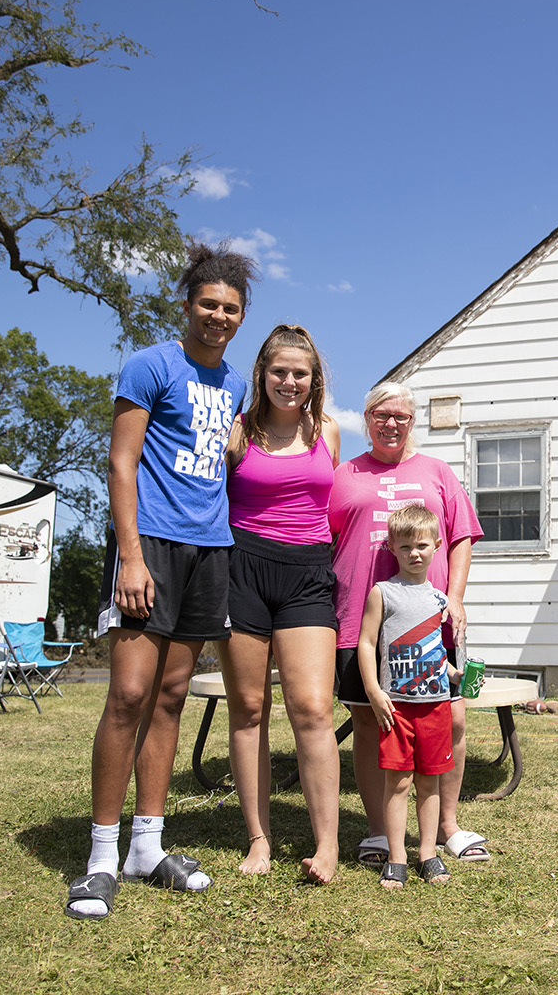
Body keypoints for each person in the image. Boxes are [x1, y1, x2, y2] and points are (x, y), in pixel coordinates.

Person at [65, 241, 257, 921]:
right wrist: (132, 556)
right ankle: (99, 858)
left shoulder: (235, 384)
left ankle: (148, 845)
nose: (218, 316)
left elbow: (217, 461)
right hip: (150, 545)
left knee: (173, 695)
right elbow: (121, 464)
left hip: (210, 550)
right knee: (128, 695)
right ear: (187, 304)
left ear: (241, 316)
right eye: (208, 304)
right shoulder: (150, 365)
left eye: (231, 309)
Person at [329, 382, 488, 867]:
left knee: (452, 718)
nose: (390, 423)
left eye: (400, 415)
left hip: (431, 622)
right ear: (366, 418)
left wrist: (455, 599)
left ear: (412, 420)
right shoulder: (344, 475)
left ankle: (448, 826)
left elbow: (461, 536)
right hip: (362, 620)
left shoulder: (437, 472)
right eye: (380, 414)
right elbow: (320, 537)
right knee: (368, 720)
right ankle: (378, 831)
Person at [216, 325, 341, 883]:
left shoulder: (328, 432)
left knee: (312, 709)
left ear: (314, 380)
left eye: (301, 373)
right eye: (279, 372)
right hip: (242, 569)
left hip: (309, 574)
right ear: (262, 375)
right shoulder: (236, 432)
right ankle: (259, 840)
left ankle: (328, 844)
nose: (289, 381)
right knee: (248, 710)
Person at [357, 505, 456, 887]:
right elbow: (366, 643)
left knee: (429, 783)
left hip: (435, 707)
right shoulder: (382, 593)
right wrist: (373, 689)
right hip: (395, 708)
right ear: (391, 548)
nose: (414, 553)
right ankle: (397, 856)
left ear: (436, 546)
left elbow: (436, 650)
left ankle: (428, 852)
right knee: (397, 784)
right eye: (405, 547)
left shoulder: (440, 600)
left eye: (421, 545)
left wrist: (453, 673)